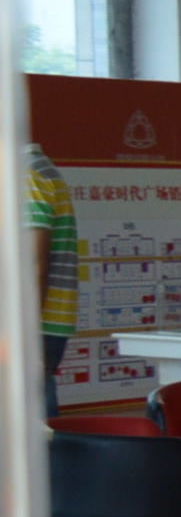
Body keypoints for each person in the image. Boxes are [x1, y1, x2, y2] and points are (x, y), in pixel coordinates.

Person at [27, 142, 76, 421]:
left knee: (31, 421)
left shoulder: (26, 175)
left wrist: (24, 328)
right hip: (37, 322)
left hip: (31, 324)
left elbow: (34, 262)